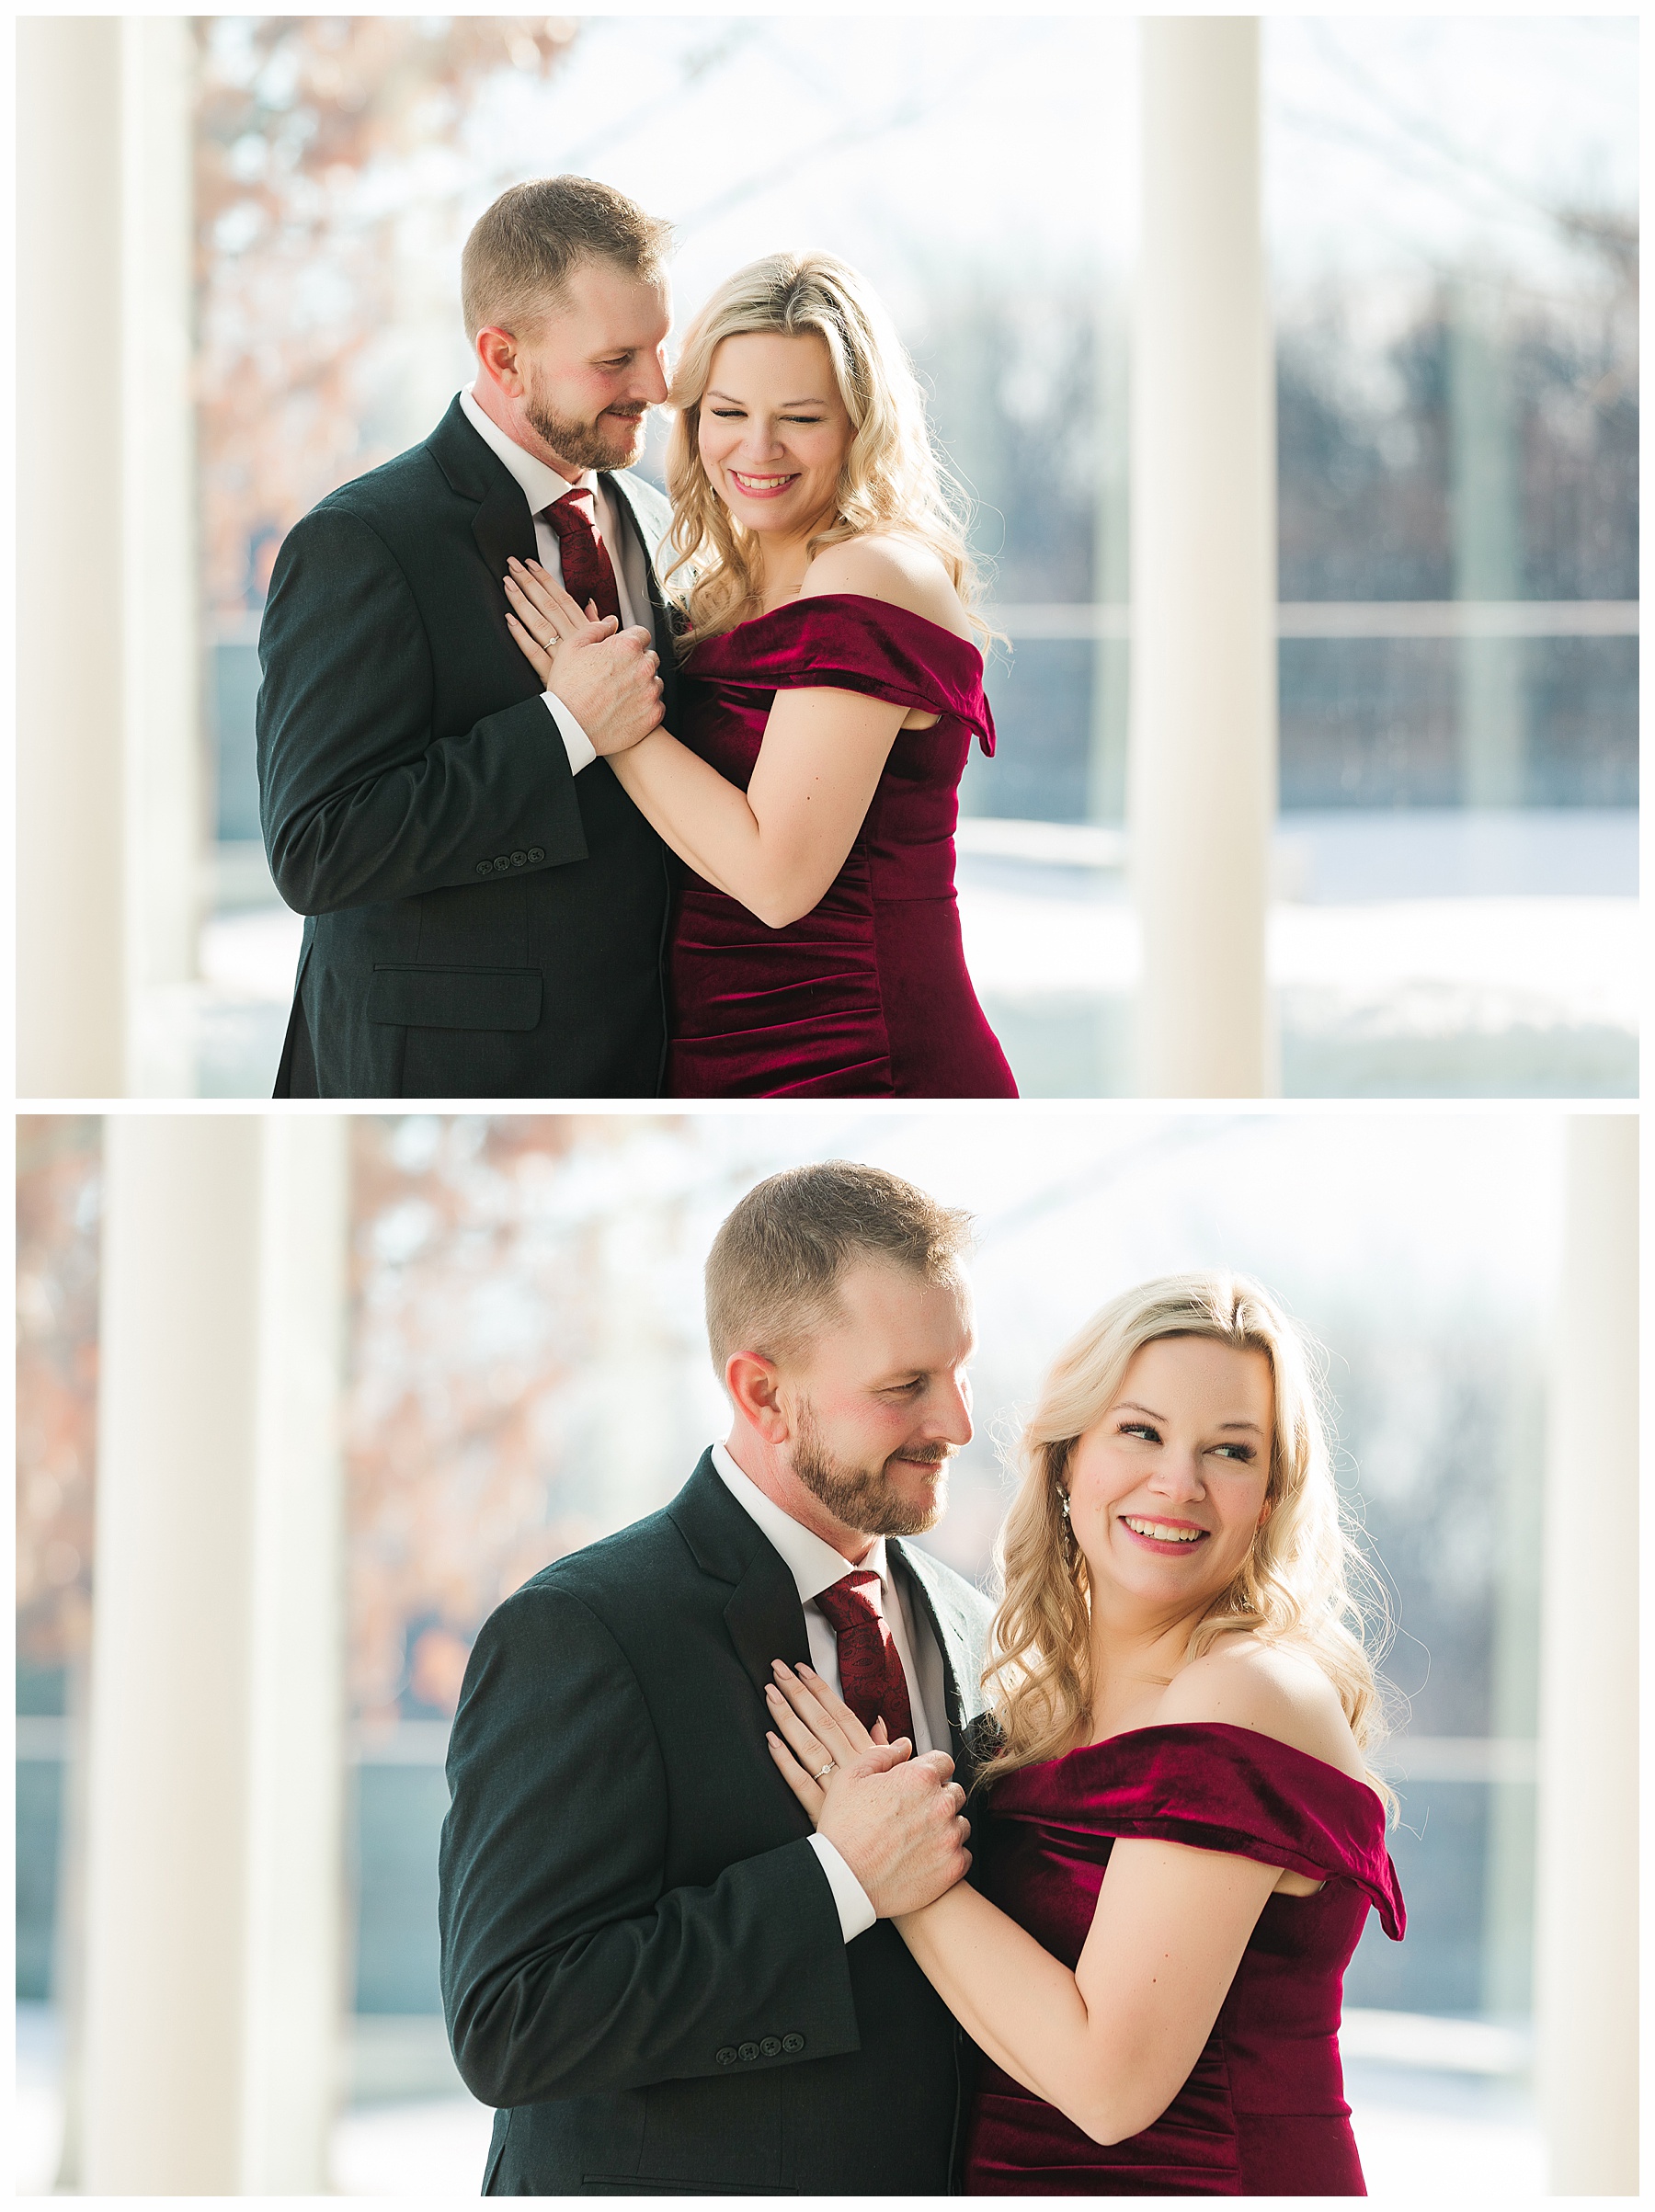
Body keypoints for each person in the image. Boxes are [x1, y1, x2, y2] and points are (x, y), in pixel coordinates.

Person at [767, 1272, 1405, 2195]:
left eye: (1231, 1452)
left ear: (1268, 1497)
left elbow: (1110, 2088)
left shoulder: (1248, 1691)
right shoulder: (1033, 1712)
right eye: (1141, 1432)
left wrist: (888, 1857)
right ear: (1069, 1461)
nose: (1178, 1484)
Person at [438, 1162, 995, 2194]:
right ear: (762, 1392)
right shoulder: (581, 1632)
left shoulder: (979, 1627)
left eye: (963, 1370)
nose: (957, 1423)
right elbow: (511, 2023)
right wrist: (841, 1883)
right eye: (903, 1387)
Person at [502, 251, 1020, 1098]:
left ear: (860, 425)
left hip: (862, 1058)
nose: (758, 447)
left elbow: (778, 880)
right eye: (729, 410)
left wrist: (604, 707)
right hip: (708, 1060)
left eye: (801, 417)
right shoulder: (710, 595)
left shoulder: (875, 573)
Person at [257, 175, 674, 1098]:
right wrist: (564, 729)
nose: (658, 385)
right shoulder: (362, 541)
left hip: (644, 1071)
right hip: (449, 1079)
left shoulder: (649, 515)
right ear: (504, 355)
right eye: (617, 361)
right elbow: (318, 847)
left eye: (656, 346)